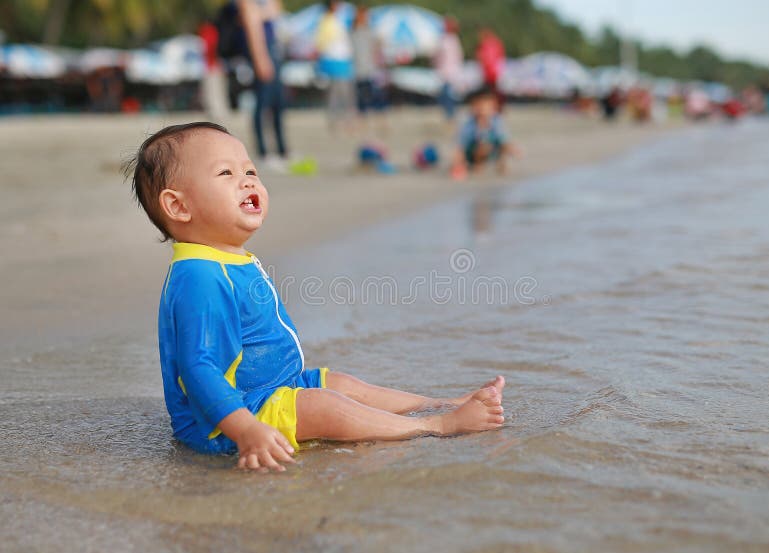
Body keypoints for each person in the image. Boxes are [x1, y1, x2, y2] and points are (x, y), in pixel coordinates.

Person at [125, 122, 506, 470]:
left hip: (274, 388)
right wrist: (245, 430)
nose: (247, 181)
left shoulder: (222, 257)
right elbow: (199, 369)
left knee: (339, 385)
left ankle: (440, 403)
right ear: (178, 205)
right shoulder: (199, 276)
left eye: (250, 171)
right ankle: (439, 425)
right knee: (323, 405)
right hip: (223, 422)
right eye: (226, 173)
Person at [237, 0, 289, 173]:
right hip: (262, 53)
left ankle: (282, 150)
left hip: (273, 51)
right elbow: (253, 28)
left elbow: (276, 9)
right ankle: (264, 152)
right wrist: (261, 59)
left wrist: (264, 12)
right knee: (263, 104)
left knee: (278, 103)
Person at [451, 86, 518, 179]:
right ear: (472, 107)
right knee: (483, 145)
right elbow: (461, 146)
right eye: (477, 106)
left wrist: (512, 149)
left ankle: (501, 163)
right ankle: (478, 165)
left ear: (493, 106)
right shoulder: (469, 125)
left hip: (493, 149)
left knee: (503, 143)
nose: (481, 109)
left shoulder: (496, 121)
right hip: (473, 153)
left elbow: (504, 138)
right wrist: (457, 164)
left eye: (484, 106)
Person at [315, 0, 356, 132]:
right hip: (334, 60)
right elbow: (321, 42)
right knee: (337, 93)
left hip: (342, 60)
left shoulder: (341, 18)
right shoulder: (327, 20)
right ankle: (336, 120)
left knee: (344, 92)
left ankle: (345, 119)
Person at [351, 5, 387, 127]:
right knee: (361, 94)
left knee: (370, 93)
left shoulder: (368, 31)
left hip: (369, 68)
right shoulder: (354, 32)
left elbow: (377, 46)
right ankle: (363, 117)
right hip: (358, 68)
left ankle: (373, 115)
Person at [434, 16, 464, 122]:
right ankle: (450, 115)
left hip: (449, 73)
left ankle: (450, 116)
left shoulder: (447, 39)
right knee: (448, 96)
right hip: (447, 73)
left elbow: (438, 57)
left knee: (448, 96)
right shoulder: (450, 39)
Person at [476, 28, 505, 110]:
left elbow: (486, 59)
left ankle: (494, 107)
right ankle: (496, 107)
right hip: (494, 71)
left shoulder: (487, 44)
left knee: (491, 92)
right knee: (494, 91)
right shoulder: (495, 42)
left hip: (490, 72)